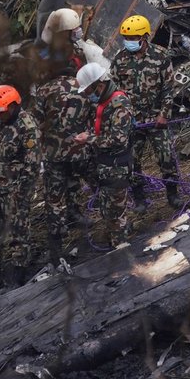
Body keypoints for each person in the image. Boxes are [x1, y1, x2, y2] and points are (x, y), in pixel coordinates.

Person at [109, 15, 183, 211]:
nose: (129, 42)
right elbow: (114, 92)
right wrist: (122, 117)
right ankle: (139, 197)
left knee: (166, 157)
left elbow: (169, 88)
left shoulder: (160, 56)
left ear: (145, 37)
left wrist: (164, 114)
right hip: (132, 121)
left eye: (133, 38)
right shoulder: (119, 60)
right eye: (127, 38)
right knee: (131, 161)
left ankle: (173, 194)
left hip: (157, 117)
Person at [0, 85, 41, 289]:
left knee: (17, 233)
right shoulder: (1, 124)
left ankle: (16, 274)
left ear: (12, 106)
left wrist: (19, 193)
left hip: (16, 189)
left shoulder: (27, 127)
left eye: (1, 113)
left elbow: (33, 165)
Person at [30, 62, 93, 263]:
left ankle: (56, 246)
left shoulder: (44, 91)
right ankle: (77, 214)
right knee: (77, 181)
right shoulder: (83, 86)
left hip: (54, 154)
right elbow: (94, 117)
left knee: (54, 198)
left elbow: (35, 124)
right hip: (80, 150)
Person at [73, 63, 135, 247]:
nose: (87, 95)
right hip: (106, 165)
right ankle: (119, 236)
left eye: (89, 90)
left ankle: (122, 250)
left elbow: (118, 139)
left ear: (99, 84)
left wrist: (89, 139)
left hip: (117, 165)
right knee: (109, 210)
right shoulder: (102, 102)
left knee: (115, 213)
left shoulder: (119, 103)